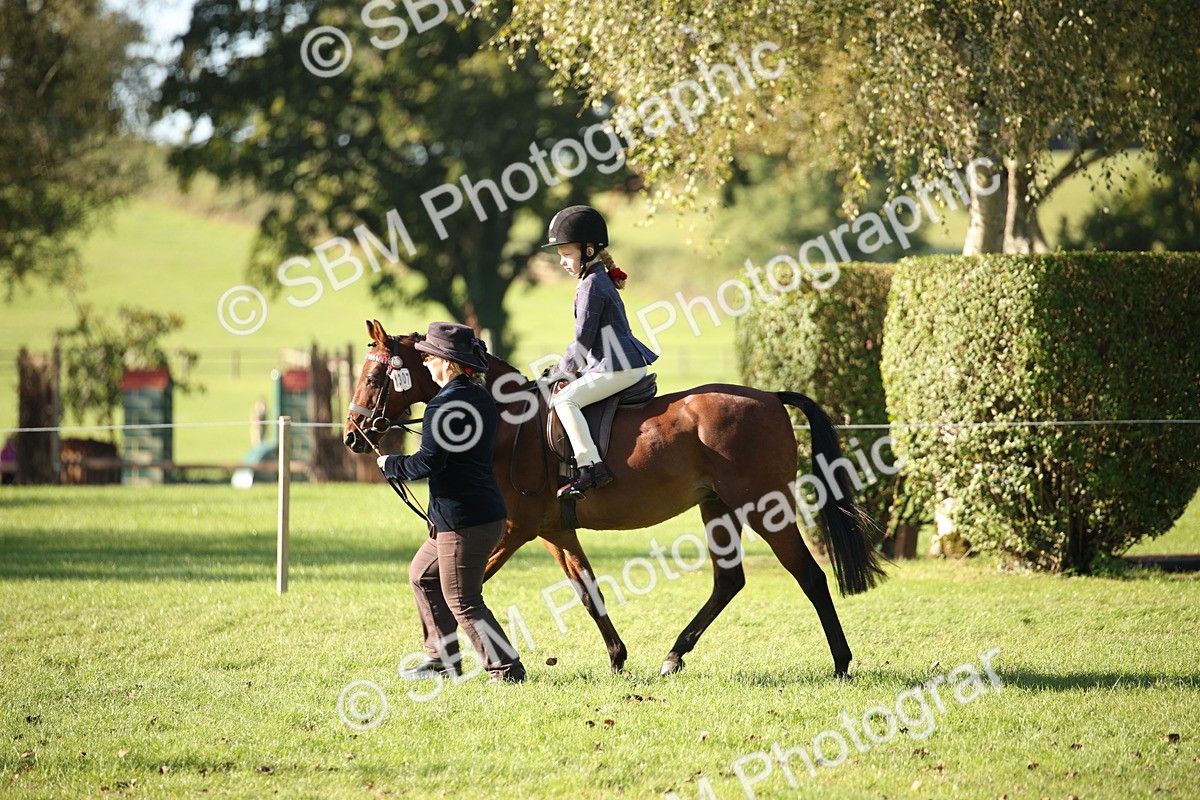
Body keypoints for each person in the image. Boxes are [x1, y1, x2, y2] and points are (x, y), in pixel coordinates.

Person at [376, 322, 525, 683]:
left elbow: (428, 463)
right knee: (423, 576)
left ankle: (506, 669)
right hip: (474, 514)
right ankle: (442, 658)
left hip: (464, 521)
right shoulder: (479, 397)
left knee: (463, 600)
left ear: (450, 363)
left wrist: (389, 463)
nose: (425, 362)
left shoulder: (441, 406)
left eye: (429, 357)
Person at [543, 205, 659, 499]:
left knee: (564, 401)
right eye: (560, 256)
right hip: (617, 362)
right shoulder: (597, 278)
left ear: (590, 250)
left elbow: (582, 341)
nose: (563, 262)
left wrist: (560, 370)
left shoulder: (590, 285)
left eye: (567, 254)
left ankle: (590, 466)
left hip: (617, 366)